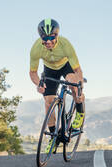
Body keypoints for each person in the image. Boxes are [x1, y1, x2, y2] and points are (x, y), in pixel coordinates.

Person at [29, 18, 85, 153]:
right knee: (48, 101)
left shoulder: (65, 45)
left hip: (66, 66)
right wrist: (39, 84)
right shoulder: (36, 49)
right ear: (41, 37)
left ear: (57, 35)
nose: (48, 41)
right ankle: (54, 136)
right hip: (49, 70)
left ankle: (80, 112)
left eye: (51, 37)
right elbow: (33, 73)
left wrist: (79, 87)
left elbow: (78, 70)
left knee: (73, 83)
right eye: (45, 38)